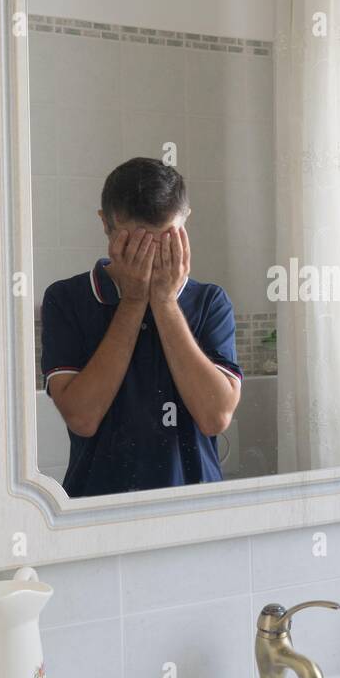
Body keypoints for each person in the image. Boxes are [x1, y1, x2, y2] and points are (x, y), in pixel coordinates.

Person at [39, 157, 242, 497]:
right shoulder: (67, 299)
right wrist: (133, 302)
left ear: (185, 222)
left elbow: (215, 417)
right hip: (97, 507)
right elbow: (83, 418)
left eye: (163, 240)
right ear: (105, 224)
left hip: (198, 507)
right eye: (135, 242)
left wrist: (164, 303)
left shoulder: (210, 301)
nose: (148, 255)